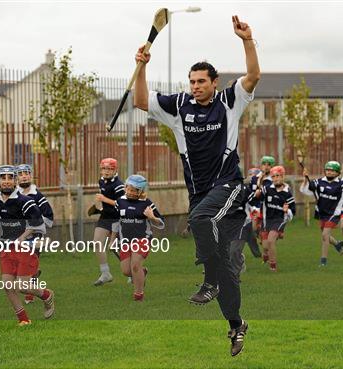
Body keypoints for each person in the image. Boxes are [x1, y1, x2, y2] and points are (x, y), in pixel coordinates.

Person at [133, 14, 260, 356]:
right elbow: (142, 101)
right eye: (192, 81)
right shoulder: (178, 106)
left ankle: (209, 280)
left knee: (200, 220)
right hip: (201, 195)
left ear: (214, 83)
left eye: (201, 81)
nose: (195, 86)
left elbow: (254, 76)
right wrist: (142, 67)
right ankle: (236, 326)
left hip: (229, 187)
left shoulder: (230, 102)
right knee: (228, 272)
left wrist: (247, 40)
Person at [0, 165, 54, 325]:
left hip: (26, 248)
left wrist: (22, 238)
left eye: (10, 178)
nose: (6, 181)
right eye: (3, 178)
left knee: (22, 287)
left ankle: (46, 295)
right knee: (7, 285)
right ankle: (24, 320)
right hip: (7, 248)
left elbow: (38, 226)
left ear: (15, 181)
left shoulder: (25, 201)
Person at [300, 161, 343, 266]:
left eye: (332, 171)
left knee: (324, 235)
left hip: (334, 213)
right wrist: (305, 179)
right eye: (328, 170)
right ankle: (337, 244)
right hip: (321, 212)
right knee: (325, 234)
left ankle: (323, 261)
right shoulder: (318, 182)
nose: (329, 172)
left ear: (337, 173)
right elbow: (305, 190)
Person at [115, 175, 164, 301]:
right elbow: (115, 222)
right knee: (126, 271)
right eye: (128, 189)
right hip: (125, 240)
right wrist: (112, 239)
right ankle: (142, 272)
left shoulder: (147, 203)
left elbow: (161, 223)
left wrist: (152, 217)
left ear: (140, 191)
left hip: (143, 239)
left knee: (135, 265)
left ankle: (138, 294)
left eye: (133, 190)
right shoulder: (119, 201)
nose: (130, 192)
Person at [15, 164, 54, 305]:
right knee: (21, 265)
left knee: (28, 264)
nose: (24, 176)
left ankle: (30, 293)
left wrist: (35, 224)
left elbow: (49, 216)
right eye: (21, 174)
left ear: (31, 176)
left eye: (27, 173)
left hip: (35, 236)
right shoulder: (14, 195)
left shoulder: (37, 195)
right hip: (18, 236)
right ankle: (33, 278)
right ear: (16, 178)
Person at [253, 165, 295, 271]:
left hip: (279, 220)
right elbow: (257, 198)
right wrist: (257, 194)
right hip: (267, 220)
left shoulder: (287, 194)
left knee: (271, 240)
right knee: (266, 246)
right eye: (273, 176)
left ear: (283, 176)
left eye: (278, 176)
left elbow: (293, 212)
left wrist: (287, 211)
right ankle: (266, 253)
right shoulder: (267, 189)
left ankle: (273, 265)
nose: (275, 178)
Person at [91, 158, 125, 286]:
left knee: (116, 248)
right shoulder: (101, 181)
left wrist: (104, 199)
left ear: (115, 170)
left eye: (109, 169)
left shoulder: (119, 186)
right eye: (104, 168)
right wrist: (100, 209)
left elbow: (121, 204)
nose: (106, 171)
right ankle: (105, 273)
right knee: (97, 242)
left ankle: (133, 271)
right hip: (105, 216)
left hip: (117, 218)